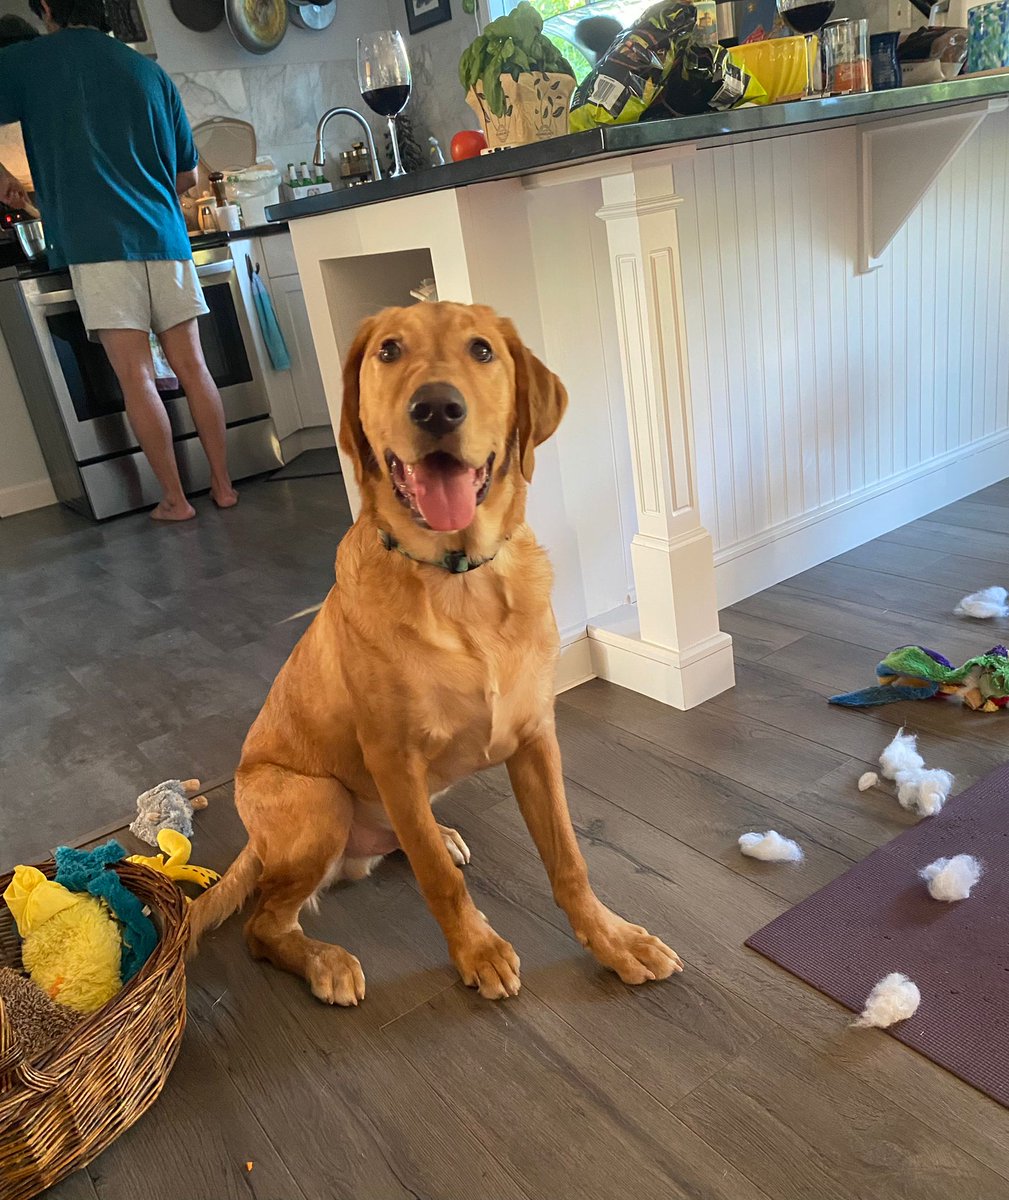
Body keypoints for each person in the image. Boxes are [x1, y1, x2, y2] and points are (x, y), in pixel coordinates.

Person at [0, 0, 237, 521]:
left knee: (136, 379)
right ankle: (222, 486)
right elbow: (185, 180)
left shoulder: (30, 61)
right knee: (195, 368)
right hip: (168, 240)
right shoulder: (149, 71)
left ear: (45, 7)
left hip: (96, 244)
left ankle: (176, 500)